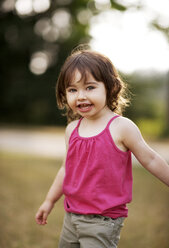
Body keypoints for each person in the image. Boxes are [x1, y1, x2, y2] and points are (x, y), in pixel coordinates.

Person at [35, 47, 169, 248]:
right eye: (72, 90)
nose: (80, 96)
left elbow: (150, 159)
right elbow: (66, 170)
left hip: (103, 221)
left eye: (89, 87)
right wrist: (49, 201)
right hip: (72, 216)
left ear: (110, 87)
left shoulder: (121, 127)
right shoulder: (72, 130)